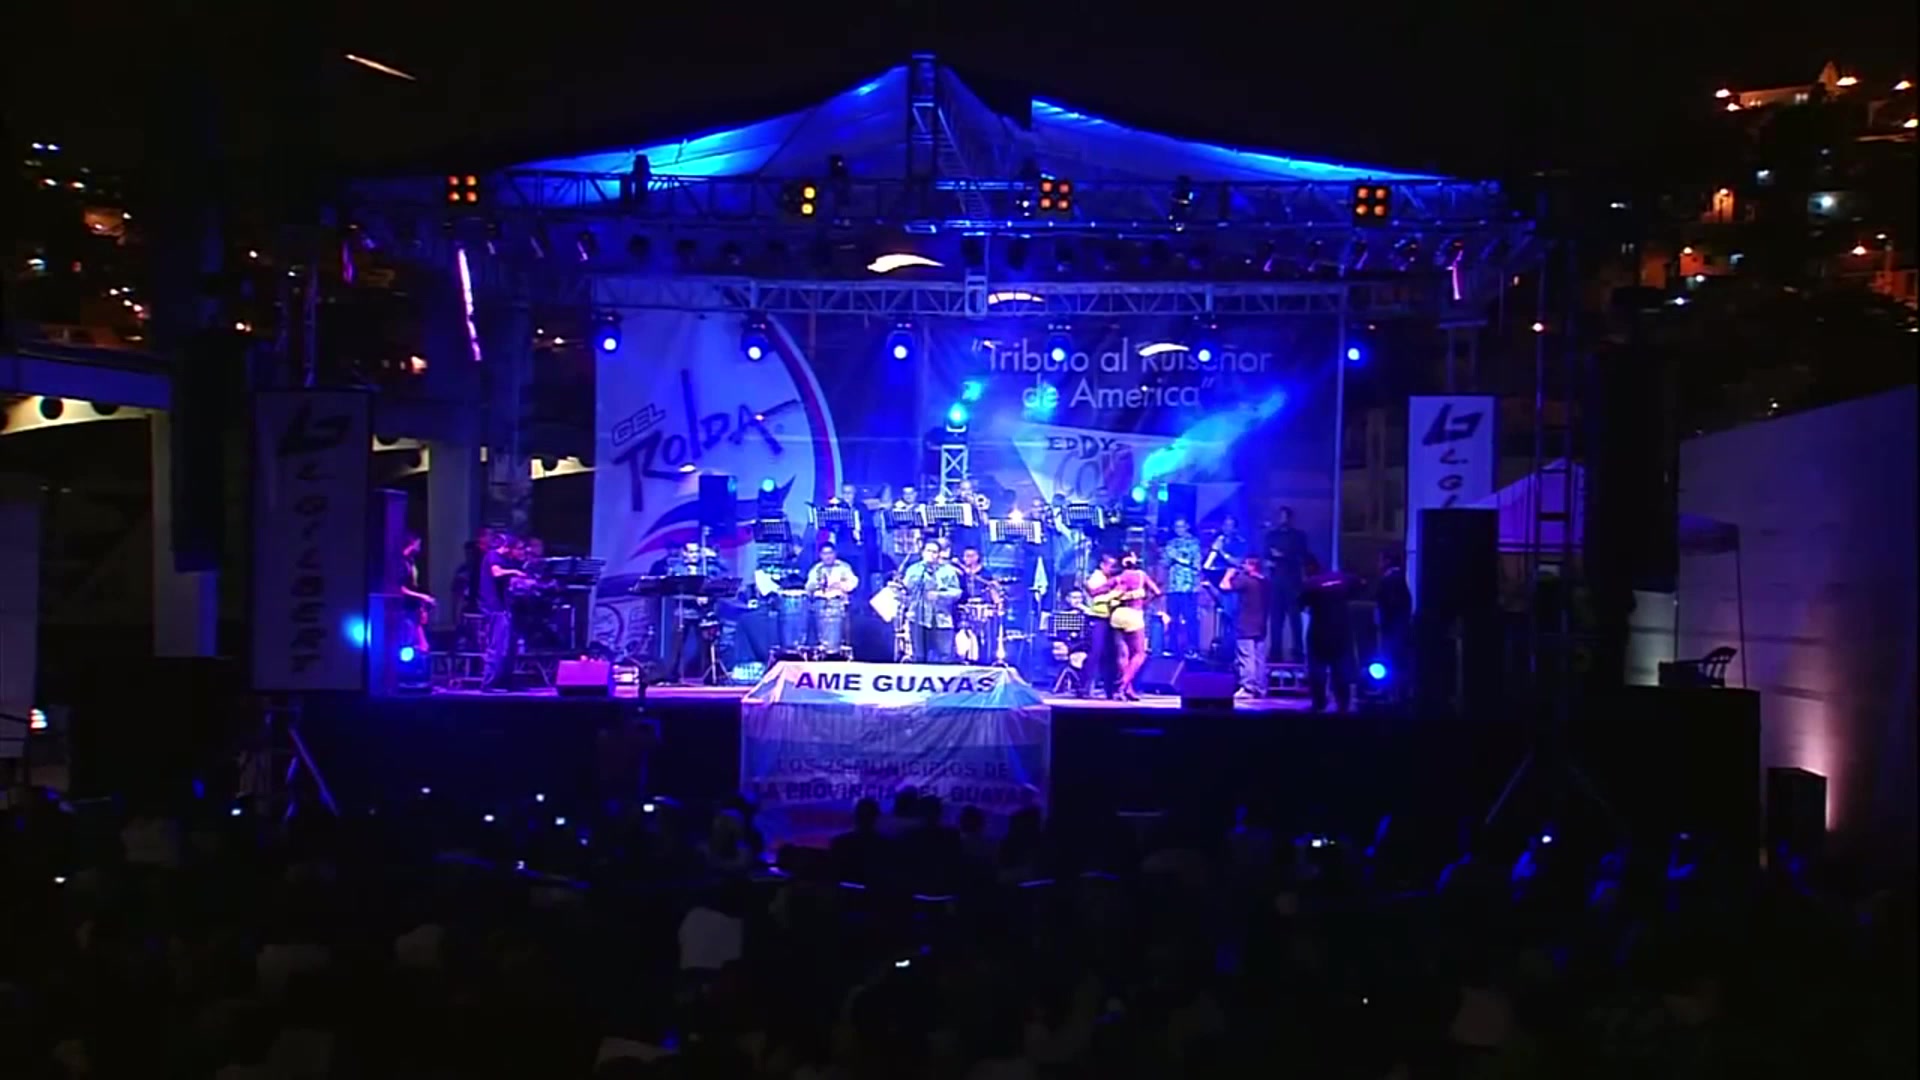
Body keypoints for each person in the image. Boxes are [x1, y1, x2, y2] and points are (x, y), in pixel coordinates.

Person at [1301, 555, 1360, 712]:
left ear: (1309, 568)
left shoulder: (1311, 584)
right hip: (1341, 633)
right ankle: (1343, 705)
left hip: (1319, 633)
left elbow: (1301, 604)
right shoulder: (1343, 579)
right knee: (1340, 671)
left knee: (1317, 672)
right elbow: (1359, 585)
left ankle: (1319, 704)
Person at [1108, 552, 1163, 701]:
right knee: (1140, 653)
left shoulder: (1118, 577)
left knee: (1122, 654)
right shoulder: (1140, 575)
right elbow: (1157, 592)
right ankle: (1122, 684)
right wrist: (1145, 602)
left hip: (1117, 614)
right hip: (1133, 613)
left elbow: (1099, 591)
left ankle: (1127, 690)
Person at [479, 532, 527, 692]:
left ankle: (505, 681)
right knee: (497, 646)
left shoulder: (507, 560)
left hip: (505, 608)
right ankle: (489, 683)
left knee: (510, 647)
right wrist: (514, 572)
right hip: (494, 608)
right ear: (508, 547)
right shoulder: (493, 556)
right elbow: (496, 573)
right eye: (518, 549)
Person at [901, 539, 962, 663]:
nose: (931, 554)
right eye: (928, 551)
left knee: (944, 656)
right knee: (919, 656)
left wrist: (939, 595)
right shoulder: (914, 569)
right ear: (923, 552)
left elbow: (957, 593)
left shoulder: (948, 571)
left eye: (934, 552)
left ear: (939, 554)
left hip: (941, 620)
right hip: (918, 618)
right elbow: (907, 587)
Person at [1263, 506, 1311, 663]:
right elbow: (1266, 555)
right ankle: (1275, 652)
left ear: (1290, 518)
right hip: (1276, 583)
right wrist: (1268, 563)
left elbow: (1303, 556)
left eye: (1285, 516)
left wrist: (1282, 556)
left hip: (1293, 582)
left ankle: (1298, 652)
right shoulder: (1271, 536)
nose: (1282, 519)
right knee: (1276, 619)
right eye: (1280, 516)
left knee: (1295, 619)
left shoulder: (1298, 536)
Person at [1219, 552, 1270, 698]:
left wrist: (1229, 574)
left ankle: (1248, 688)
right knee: (1259, 659)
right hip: (1261, 624)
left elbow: (1224, 586)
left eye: (1245, 564)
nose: (1242, 566)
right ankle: (1261, 688)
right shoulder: (1265, 581)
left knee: (1246, 657)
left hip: (1245, 624)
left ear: (1251, 565)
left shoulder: (1245, 580)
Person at [1077, 553, 1120, 700]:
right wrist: (1113, 592)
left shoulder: (1108, 578)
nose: (1113, 569)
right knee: (1095, 652)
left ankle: (1109, 689)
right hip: (1097, 619)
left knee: (1110, 655)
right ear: (1102, 565)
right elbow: (1094, 594)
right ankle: (1084, 688)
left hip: (1109, 619)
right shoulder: (1097, 577)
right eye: (1111, 566)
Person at [1374, 549, 1413, 701]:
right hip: (1397, 627)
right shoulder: (1399, 578)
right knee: (1395, 660)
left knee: (1391, 660)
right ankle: (1395, 692)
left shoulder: (1391, 579)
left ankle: (1391, 692)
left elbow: (1390, 604)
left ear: (1387, 561)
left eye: (1380, 560)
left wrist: (1384, 621)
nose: (1378, 564)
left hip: (1393, 628)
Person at [804, 541, 858, 651]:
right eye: (824, 554)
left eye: (830, 553)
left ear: (835, 553)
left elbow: (854, 582)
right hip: (820, 604)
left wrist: (840, 585)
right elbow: (808, 587)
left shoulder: (843, 567)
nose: (828, 557)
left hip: (839, 603)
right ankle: (820, 646)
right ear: (820, 555)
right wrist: (817, 585)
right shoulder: (816, 569)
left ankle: (839, 646)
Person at [1161, 517, 1202, 657]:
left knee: (1190, 618)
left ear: (1187, 526)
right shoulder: (1171, 543)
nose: (1179, 530)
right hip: (1173, 587)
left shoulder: (1194, 543)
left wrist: (1176, 557)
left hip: (1188, 587)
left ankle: (1192, 648)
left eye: (1181, 526)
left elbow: (1194, 563)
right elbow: (1165, 563)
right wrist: (1166, 557)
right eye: (1176, 527)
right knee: (1173, 618)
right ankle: (1172, 647)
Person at [396, 532, 434, 657]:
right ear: (412, 544)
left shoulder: (411, 561)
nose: (420, 547)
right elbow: (400, 588)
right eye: (418, 544)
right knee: (411, 638)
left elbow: (414, 585)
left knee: (423, 643)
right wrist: (422, 597)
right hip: (404, 607)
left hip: (413, 606)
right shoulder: (400, 563)